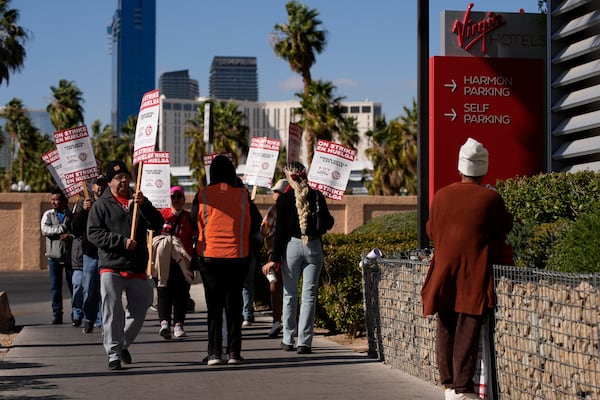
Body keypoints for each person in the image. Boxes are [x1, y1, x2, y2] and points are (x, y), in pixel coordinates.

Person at [421, 138, 513, 400]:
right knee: (467, 329)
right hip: (473, 273)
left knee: (446, 326)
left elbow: (431, 230)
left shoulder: (441, 195)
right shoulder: (490, 198)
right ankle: (463, 389)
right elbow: (505, 226)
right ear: (483, 170)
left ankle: (449, 385)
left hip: (443, 272)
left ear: (460, 169)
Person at [87, 160, 164, 371]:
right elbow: (93, 233)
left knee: (141, 307)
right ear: (109, 183)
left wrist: (145, 204)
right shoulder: (101, 206)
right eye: (118, 178)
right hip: (111, 266)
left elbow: (157, 224)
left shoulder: (138, 201)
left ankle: (122, 345)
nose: (123, 181)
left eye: (125, 177)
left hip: (137, 266)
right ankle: (113, 353)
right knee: (112, 310)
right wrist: (121, 242)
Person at [192, 155, 261, 365]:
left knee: (214, 307)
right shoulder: (242, 195)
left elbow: (195, 222)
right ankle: (233, 353)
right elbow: (255, 222)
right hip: (237, 257)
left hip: (210, 257)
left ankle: (214, 353)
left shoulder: (203, 194)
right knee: (234, 305)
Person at [263, 162, 334, 355]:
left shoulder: (284, 200)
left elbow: (280, 233)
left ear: (289, 177)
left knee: (289, 294)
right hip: (313, 247)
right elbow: (328, 223)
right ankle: (304, 342)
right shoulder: (317, 195)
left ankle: (288, 338)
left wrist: (274, 259)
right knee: (309, 296)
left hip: (292, 248)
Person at [152, 185, 196, 339]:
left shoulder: (189, 217)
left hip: (182, 262)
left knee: (182, 294)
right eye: (173, 196)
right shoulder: (160, 215)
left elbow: (196, 237)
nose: (176, 199)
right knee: (163, 291)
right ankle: (164, 323)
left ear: (184, 199)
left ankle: (178, 324)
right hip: (164, 261)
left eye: (179, 196)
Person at [71, 175, 108, 334]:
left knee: (105, 289)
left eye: (102, 184)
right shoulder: (84, 204)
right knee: (89, 288)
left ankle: (102, 319)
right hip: (90, 253)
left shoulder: (110, 202)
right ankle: (89, 318)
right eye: (97, 185)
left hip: (106, 252)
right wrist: (83, 212)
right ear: (92, 187)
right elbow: (75, 229)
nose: (100, 187)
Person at [260, 178, 288, 338]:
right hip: (290, 251)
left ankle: (277, 320)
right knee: (289, 288)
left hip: (274, 252)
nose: (273, 194)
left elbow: (264, 230)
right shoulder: (295, 209)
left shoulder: (274, 210)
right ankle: (291, 322)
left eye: (276, 191)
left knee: (275, 286)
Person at [41, 188, 73, 325]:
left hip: (70, 257)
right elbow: (45, 230)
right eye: (52, 199)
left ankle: (76, 313)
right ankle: (57, 314)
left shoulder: (72, 214)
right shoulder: (48, 214)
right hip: (53, 257)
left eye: (57, 199)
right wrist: (61, 229)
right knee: (55, 287)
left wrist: (69, 235)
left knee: (74, 286)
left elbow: (77, 231)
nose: (54, 202)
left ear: (64, 201)